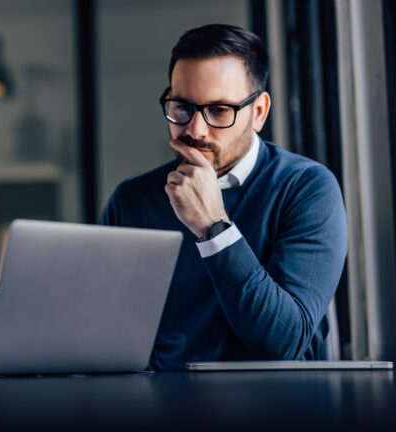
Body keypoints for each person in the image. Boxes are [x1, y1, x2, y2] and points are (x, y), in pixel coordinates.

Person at [101, 24, 347, 370]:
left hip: (279, 410)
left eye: (218, 111)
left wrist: (213, 227)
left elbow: (285, 343)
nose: (195, 130)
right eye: (182, 107)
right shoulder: (131, 200)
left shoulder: (306, 189)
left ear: (258, 112)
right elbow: (103, 335)